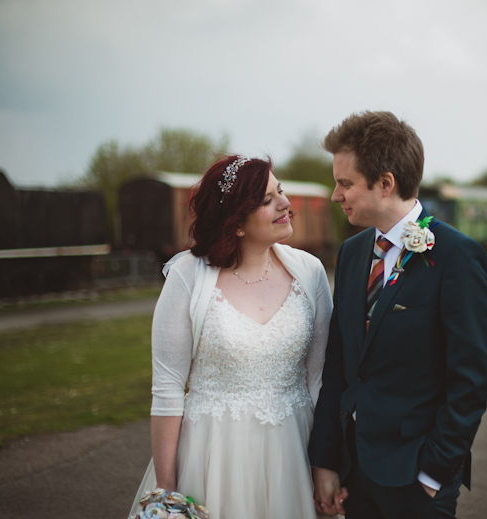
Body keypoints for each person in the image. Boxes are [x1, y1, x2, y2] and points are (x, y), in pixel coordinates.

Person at [308, 111, 487, 518]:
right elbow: (339, 365)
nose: (336, 195)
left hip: (417, 477)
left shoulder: (456, 257)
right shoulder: (353, 253)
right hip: (354, 473)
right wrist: (325, 460)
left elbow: (471, 379)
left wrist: (433, 474)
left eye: (345, 184)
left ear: (386, 183)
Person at [129, 155, 336, 519]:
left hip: (294, 452)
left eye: (281, 191)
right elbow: (167, 389)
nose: (286, 205)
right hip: (213, 457)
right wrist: (167, 494)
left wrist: (324, 467)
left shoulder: (310, 272)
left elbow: (319, 381)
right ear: (236, 222)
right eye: (268, 200)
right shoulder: (187, 278)